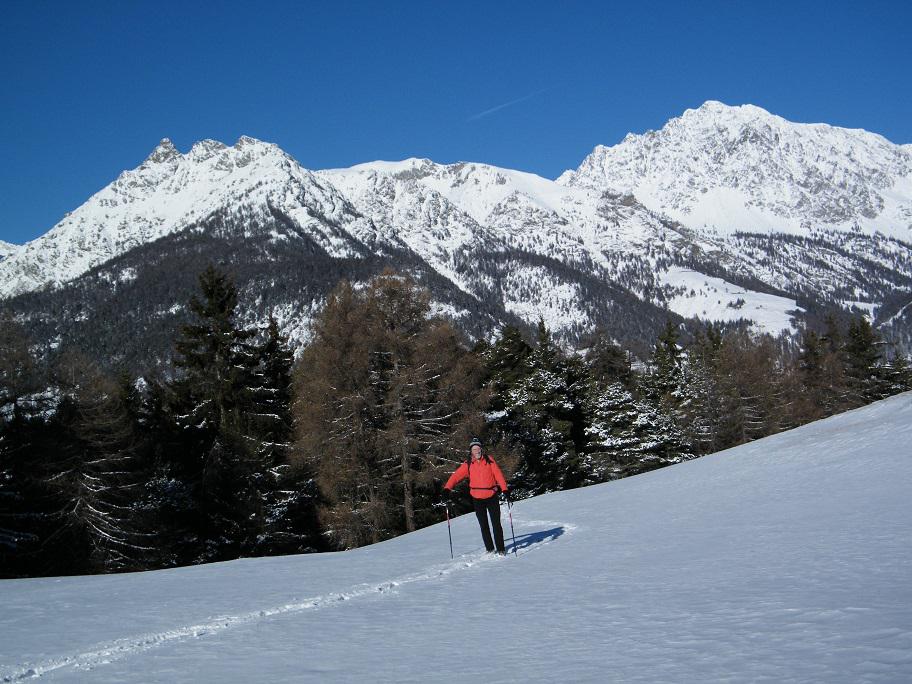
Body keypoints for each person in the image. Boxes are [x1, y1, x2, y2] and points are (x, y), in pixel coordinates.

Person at [444, 437, 509, 555]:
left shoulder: (489, 460)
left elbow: (498, 475)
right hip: (477, 499)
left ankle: (501, 549)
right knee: (483, 525)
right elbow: (456, 476)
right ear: (471, 451)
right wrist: (447, 488)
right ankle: (490, 548)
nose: (477, 451)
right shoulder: (468, 464)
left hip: (492, 496)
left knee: (496, 524)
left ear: (481, 449)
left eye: (478, 448)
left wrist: (505, 489)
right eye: (474, 449)